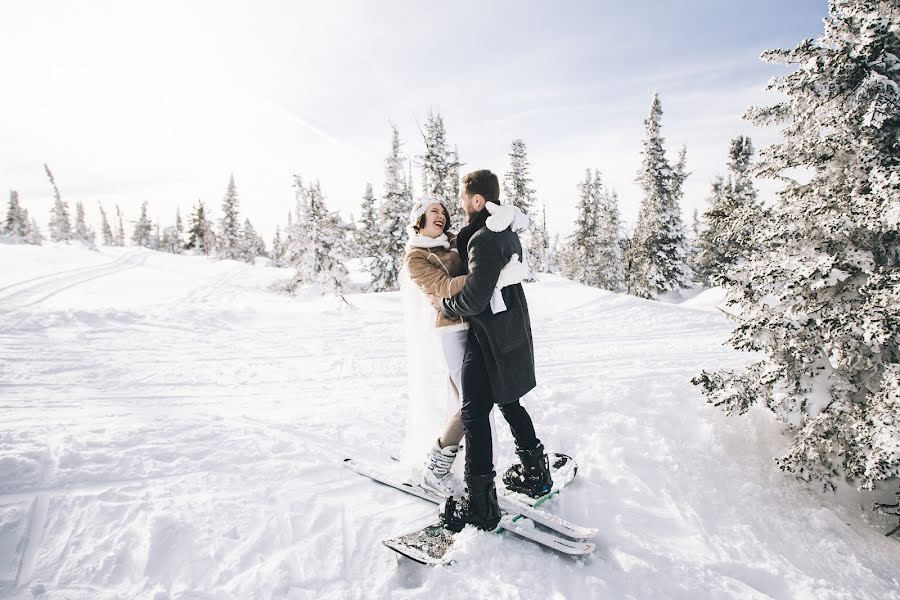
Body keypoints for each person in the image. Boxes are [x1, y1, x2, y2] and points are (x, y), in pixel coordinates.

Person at [431, 169, 552, 532]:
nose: (460, 202)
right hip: (508, 327)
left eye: (463, 196)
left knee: (474, 411)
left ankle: (481, 505)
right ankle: (536, 473)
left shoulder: (483, 240)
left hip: (486, 337)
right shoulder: (506, 231)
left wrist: (446, 307)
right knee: (509, 400)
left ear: (478, 200)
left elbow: (475, 297)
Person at [401, 197, 528, 497]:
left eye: (444, 211)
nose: (442, 215)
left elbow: (483, 236)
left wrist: (507, 217)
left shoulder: (454, 242)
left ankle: (463, 465)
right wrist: (482, 278)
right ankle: (436, 467)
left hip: (475, 326)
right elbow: (443, 287)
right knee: (470, 404)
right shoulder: (416, 257)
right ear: (419, 218)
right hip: (451, 331)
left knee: (479, 399)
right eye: (434, 211)